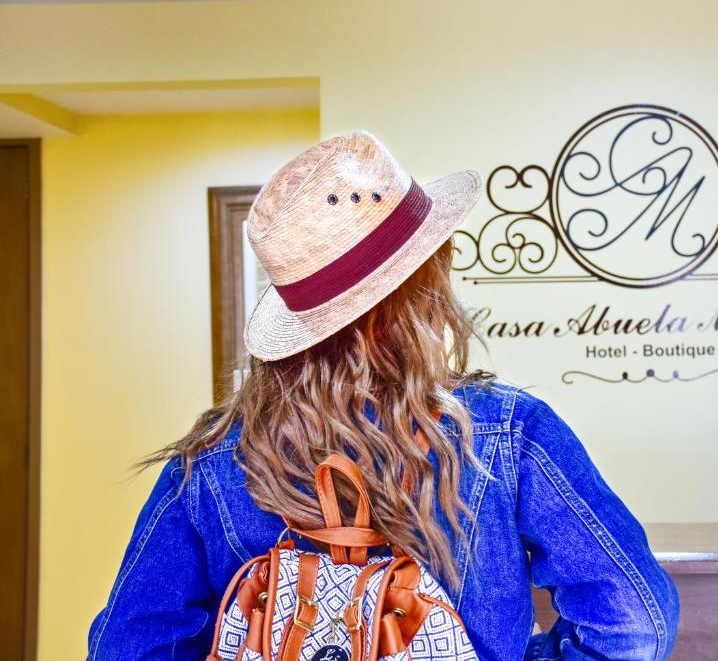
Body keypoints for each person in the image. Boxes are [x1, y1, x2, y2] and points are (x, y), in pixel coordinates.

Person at [87, 132, 680, 660]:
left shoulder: (213, 460)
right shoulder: (507, 432)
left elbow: (127, 648)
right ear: (426, 284)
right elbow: (635, 625)